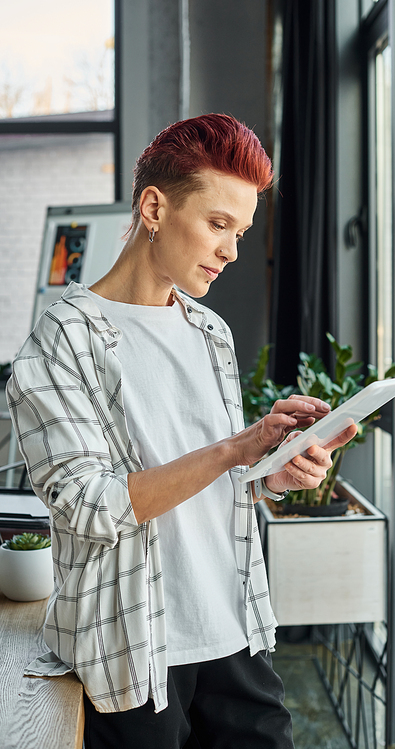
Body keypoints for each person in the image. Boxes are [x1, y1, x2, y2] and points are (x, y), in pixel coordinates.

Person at [7, 114, 356, 748]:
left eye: (241, 232)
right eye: (218, 224)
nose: (231, 250)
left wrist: (270, 474)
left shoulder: (209, 332)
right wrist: (234, 449)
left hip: (233, 628)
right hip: (134, 648)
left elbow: (217, 485)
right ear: (154, 207)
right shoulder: (60, 344)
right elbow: (89, 506)